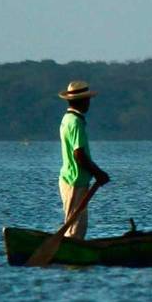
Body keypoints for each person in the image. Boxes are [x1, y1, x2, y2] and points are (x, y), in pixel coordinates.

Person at [57, 80, 109, 239]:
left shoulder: (68, 119)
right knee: (75, 229)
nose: (88, 103)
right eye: (86, 100)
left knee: (75, 224)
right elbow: (79, 155)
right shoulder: (75, 122)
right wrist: (98, 173)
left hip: (74, 179)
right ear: (80, 101)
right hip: (74, 180)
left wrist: (96, 173)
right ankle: (71, 261)